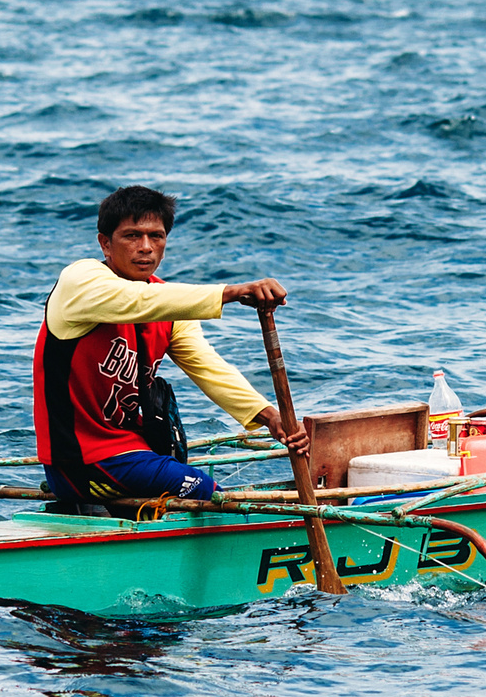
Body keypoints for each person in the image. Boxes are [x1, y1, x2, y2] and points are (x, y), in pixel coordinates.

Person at [33, 185, 310, 509]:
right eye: (132, 236)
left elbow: (208, 366)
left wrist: (269, 417)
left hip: (130, 449)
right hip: (80, 463)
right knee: (207, 490)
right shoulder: (80, 281)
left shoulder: (168, 304)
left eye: (157, 236)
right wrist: (231, 292)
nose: (146, 247)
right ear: (105, 243)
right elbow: (135, 300)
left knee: (178, 468)